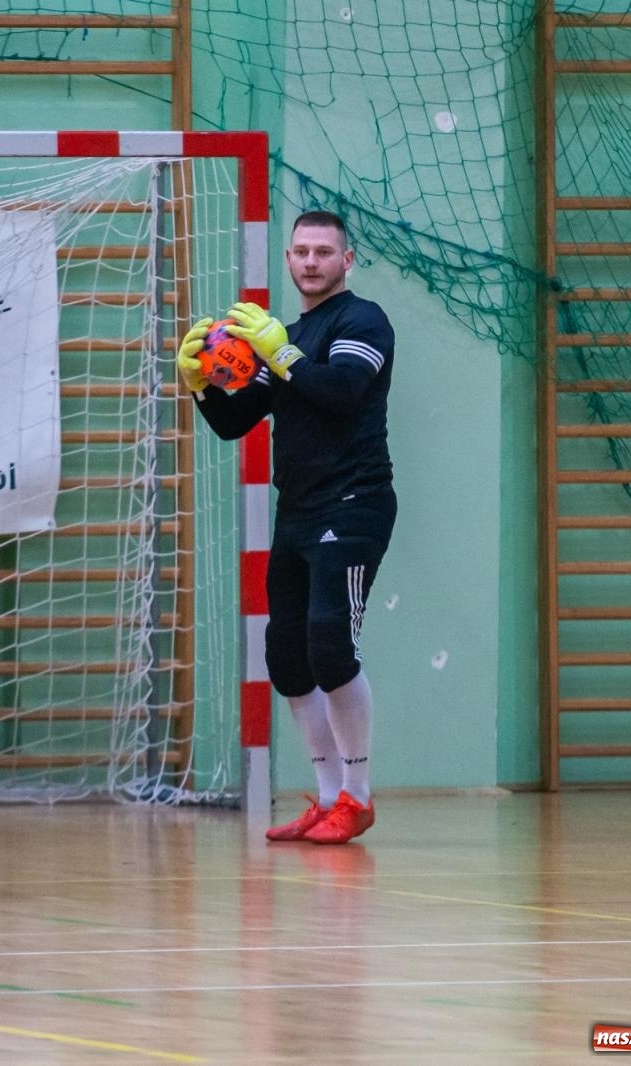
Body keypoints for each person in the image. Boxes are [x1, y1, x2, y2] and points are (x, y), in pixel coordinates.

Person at [177, 209, 396, 845]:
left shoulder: (362, 320)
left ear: (346, 261)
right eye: (300, 251)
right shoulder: (289, 334)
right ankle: (328, 798)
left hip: (354, 503)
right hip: (297, 512)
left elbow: (341, 390)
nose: (309, 262)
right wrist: (201, 386)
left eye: (323, 252)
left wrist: (281, 351)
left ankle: (358, 795)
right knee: (287, 658)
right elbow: (232, 422)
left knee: (330, 643)